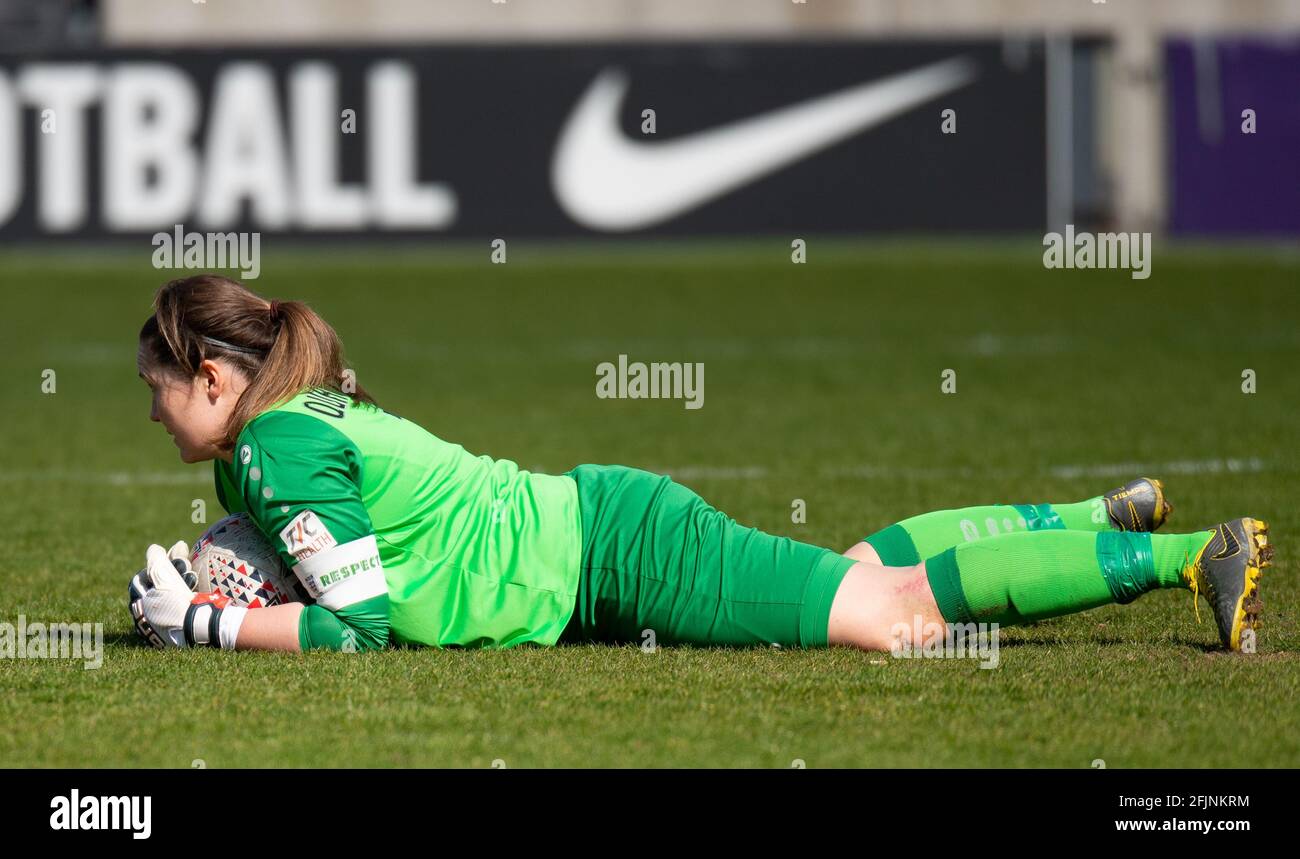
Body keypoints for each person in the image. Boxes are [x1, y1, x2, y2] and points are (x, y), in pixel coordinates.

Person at [127, 275, 1271, 655]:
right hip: (597, 542)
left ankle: (1181, 555)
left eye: (159, 385)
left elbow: (357, 625)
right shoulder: (268, 444)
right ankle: (1081, 508)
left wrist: (204, 623)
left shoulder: (272, 445)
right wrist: (232, 575)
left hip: (615, 556)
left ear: (217, 381)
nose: (152, 408)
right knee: (855, 565)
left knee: (897, 616)